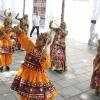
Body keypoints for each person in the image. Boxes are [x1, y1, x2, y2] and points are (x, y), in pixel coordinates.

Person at [11, 26, 57, 100]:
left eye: (40, 39)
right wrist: (19, 31)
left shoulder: (46, 54)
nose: (37, 39)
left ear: (45, 43)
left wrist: (42, 57)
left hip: (37, 78)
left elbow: (47, 66)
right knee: (25, 95)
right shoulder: (31, 47)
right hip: (26, 75)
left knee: (35, 96)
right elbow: (25, 39)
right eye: (37, 38)